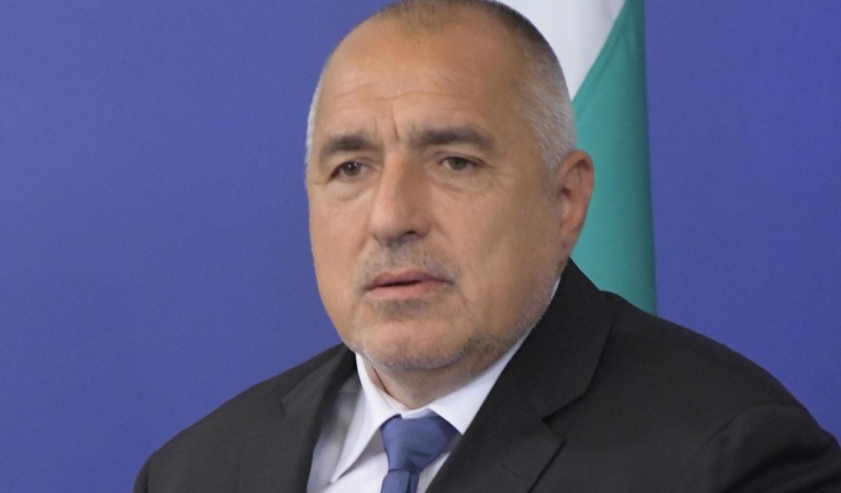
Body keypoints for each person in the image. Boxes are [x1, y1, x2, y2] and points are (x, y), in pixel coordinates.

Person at [134, 1, 841, 491]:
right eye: (350, 168)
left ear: (564, 202)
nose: (391, 217)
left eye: (455, 162)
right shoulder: (192, 473)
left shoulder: (726, 457)